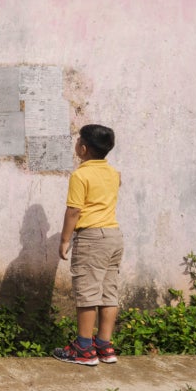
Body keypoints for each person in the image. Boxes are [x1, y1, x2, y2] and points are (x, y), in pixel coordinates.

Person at [53, 124, 122, 366]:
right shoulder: (114, 174)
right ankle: (104, 345)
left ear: (83, 148)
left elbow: (74, 210)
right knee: (108, 292)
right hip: (114, 236)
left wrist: (64, 240)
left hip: (92, 238)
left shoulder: (80, 175)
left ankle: (83, 347)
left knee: (87, 291)